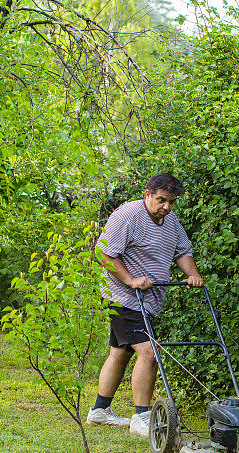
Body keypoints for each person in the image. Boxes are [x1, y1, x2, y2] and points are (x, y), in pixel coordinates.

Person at [86, 173, 204, 437]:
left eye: (171, 202)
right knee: (149, 353)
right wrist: (130, 280)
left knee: (120, 352)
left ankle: (99, 410)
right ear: (147, 194)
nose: (166, 207)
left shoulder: (170, 220)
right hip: (123, 297)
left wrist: (192, 275)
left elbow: (183, 251)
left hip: (147, 301)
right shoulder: (127, 216)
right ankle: (141, 416)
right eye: (161, 200)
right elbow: (102, 253)